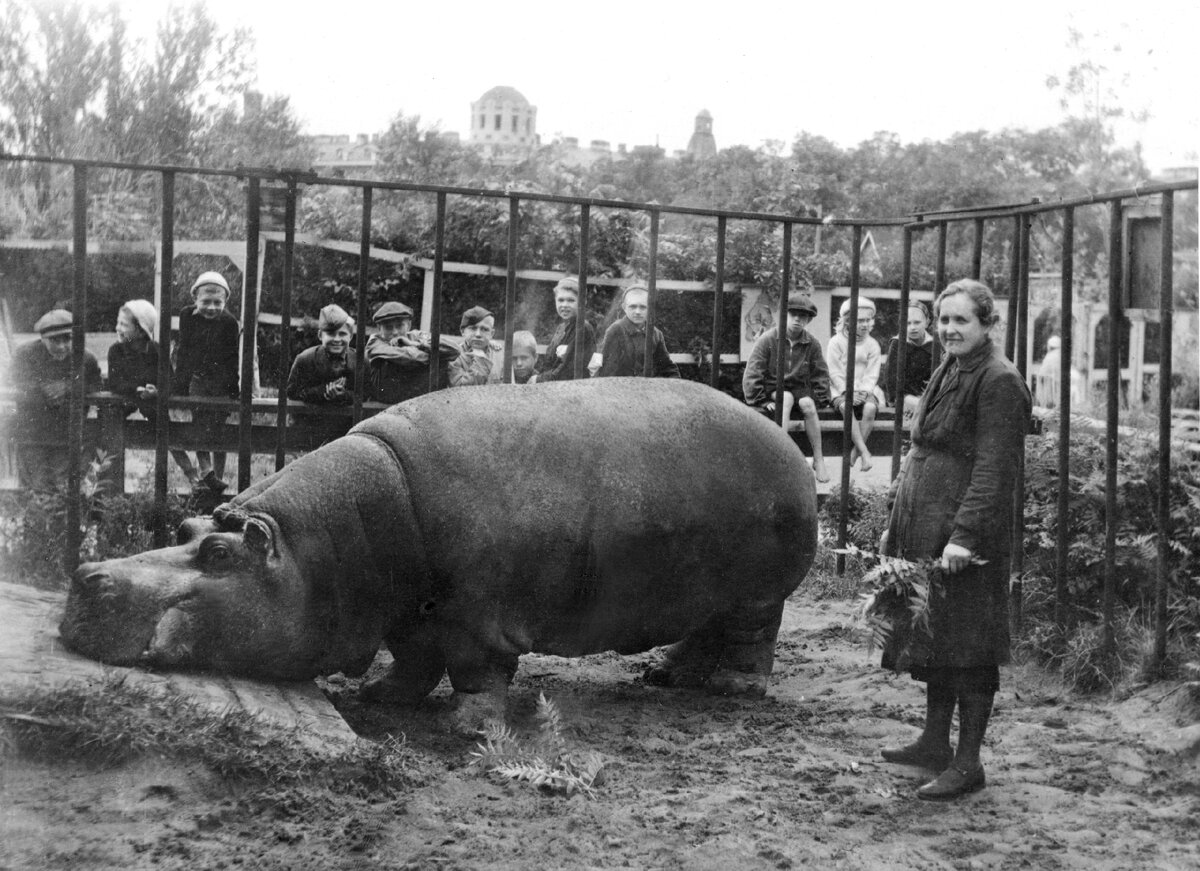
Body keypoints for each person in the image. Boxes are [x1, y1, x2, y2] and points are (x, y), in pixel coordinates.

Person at [878, 278, 1031, 801]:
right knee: (936, 635)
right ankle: (933, 744)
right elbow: (922, 445)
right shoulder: (951, 365)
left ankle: (968, 763)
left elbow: (993, 470)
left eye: (961, 320)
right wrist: (898, 518)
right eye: (944, 320)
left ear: (988, 323)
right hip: (926, 523)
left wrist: (963, 538)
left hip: (966, 536)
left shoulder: (999, 380)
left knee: (968, 644)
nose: (948, 329)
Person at [742, 291, 832, 483]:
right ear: (785, 315)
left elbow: (821, 372)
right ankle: (780, 455)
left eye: (803, 316)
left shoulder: (811, 343)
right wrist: (760, 399)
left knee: (808, 403)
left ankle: (818, 459)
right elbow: (753, 370)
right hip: (775, 387)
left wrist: (821, 396)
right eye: (793, 315)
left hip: (800, 388)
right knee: (787, 398)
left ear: (808, 320)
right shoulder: (769, 339)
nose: (797, 320)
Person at [106, 299, 197, 484]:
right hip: (125, 400)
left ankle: (192, 475)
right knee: (108, 428)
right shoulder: (116, 350)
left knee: (165, 428)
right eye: (118, 322)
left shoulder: (156, 350)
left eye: (124, 324)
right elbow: (115, 383)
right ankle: (102, 480)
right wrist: (136, 389)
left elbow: (171, 382)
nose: (118, 328)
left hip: (150, 402)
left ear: (140, 331)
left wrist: (157, 391)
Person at [11, 309, 101, 492]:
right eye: (54, 340)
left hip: (67, 437)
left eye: (67, 339)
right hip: (33, 437)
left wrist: (68, 387)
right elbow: (14, 382)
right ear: (43, 338)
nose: (61, 346)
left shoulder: (85, 358)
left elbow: (96, 385)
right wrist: (42, 389)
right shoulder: (25, 355)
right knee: (37, 491)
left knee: (65, 491)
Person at [172, 271, 240, 494]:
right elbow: (184, 351)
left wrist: (233, 388)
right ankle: (206, 470)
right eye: (206, 302)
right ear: (195, 300)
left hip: (221, 381)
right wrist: (180, 384)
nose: (211, 307)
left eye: (217, 302)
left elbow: (232, 358)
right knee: (199, 421)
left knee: (219, 426)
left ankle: (217, 476)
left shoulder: (230, 323)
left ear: (225, 301)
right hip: (199, 379)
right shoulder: (187, 316)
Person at [827, 296, 882, 471]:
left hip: (865, 391)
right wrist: (847, 391)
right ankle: (864, 452)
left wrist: (865, 392)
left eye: (867, 320)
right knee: (846, 407)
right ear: (848, 321)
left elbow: (872, 374)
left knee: (870, 408)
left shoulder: (872, 345)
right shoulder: (836, 342)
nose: (865, 324)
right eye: (860, 320)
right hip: (840, 390)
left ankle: (854, 453)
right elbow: (834, 371)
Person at [364, 301, 457, 403]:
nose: (395, 332)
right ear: (379, 329)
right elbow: (410, 358)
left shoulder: (416, 336)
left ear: (408, 325)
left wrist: (415, 344)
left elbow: (454, 350)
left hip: (417, 392)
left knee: (442, 357)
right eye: (388, 327)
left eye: (399, 326)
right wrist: (433, 354)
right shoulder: (374, 342)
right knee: (439, 357)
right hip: (389, 395)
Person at [594, 284, 680, 378]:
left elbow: (667, 366)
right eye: (633, 307)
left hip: (647, 388)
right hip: (621, 388)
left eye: (643, 307)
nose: (638, 312)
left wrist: (676, 383)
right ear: (624, 307)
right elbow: (607, 370)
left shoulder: (656, 334)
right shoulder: (615, 330)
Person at [286, 304, 356, 405]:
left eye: (342, 334)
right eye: (331, 334)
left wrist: (345, 395)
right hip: (311, 418)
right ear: (320, 335)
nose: (337, 339)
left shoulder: (359, 360)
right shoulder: (305, 359)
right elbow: (291, 392)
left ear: (350, 336)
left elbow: (367, 394)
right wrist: (322, 391)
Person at [882, 300, 935, 422]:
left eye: (917, 322)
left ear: (927, 322)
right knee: (924, 409)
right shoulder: (897, 343)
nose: (912, 327)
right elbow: (891, 378)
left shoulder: (933, 345)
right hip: (904, 396)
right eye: (908, 323)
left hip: (927, 396)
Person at [537, 277, 595, 382]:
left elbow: (567, 371)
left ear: (583, 302)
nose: (564, 305)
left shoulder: (583, 328)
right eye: (561, 300)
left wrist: (538, 379)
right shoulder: (561, 328)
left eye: (571, 300)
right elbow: (549, 363)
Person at [448, 306, 503, 387]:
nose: (478, 334)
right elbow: (459, 390)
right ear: (463, 331)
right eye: (473, 328)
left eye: (484, 329)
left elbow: (510, 390)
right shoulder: (454, 357)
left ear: (492, 334)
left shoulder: (500, 354)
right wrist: (481, 362)